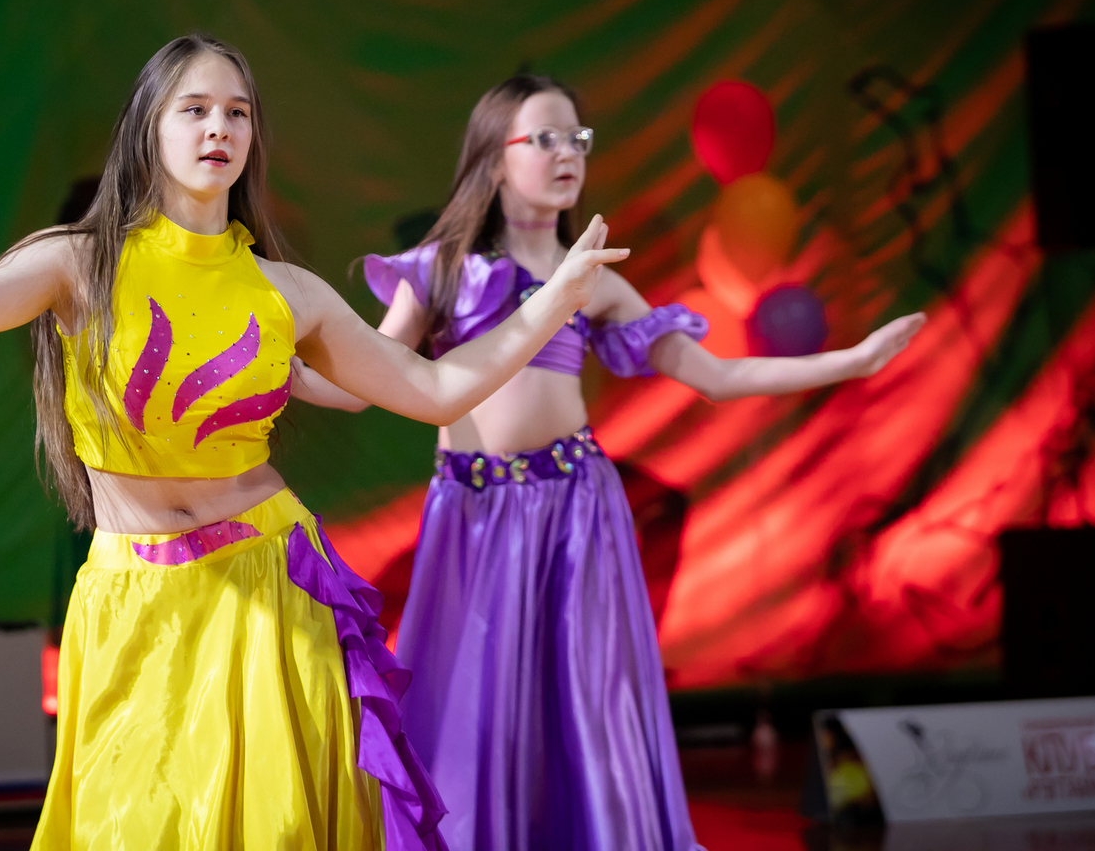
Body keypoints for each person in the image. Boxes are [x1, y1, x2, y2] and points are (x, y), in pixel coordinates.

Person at [0, 37, 632, 851]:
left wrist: (552, 301)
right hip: (133, 600)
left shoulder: (287, 292)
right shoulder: (79, 261)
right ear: (149, 128)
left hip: (269, 590)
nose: (220, 127)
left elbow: (434, 389)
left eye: (238, 112)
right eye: (196, 109)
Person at [293, 73, 925, 851]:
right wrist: (281, 375)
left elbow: (716, 377)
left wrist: (851, 361)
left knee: (585, 711)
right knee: (473, 715)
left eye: (577, 139)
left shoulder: (594, 282)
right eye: (545, 138)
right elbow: (367, 381)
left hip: (574, 514)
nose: (567, 154)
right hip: (471, 518)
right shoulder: (443, 269)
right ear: (493, 159)